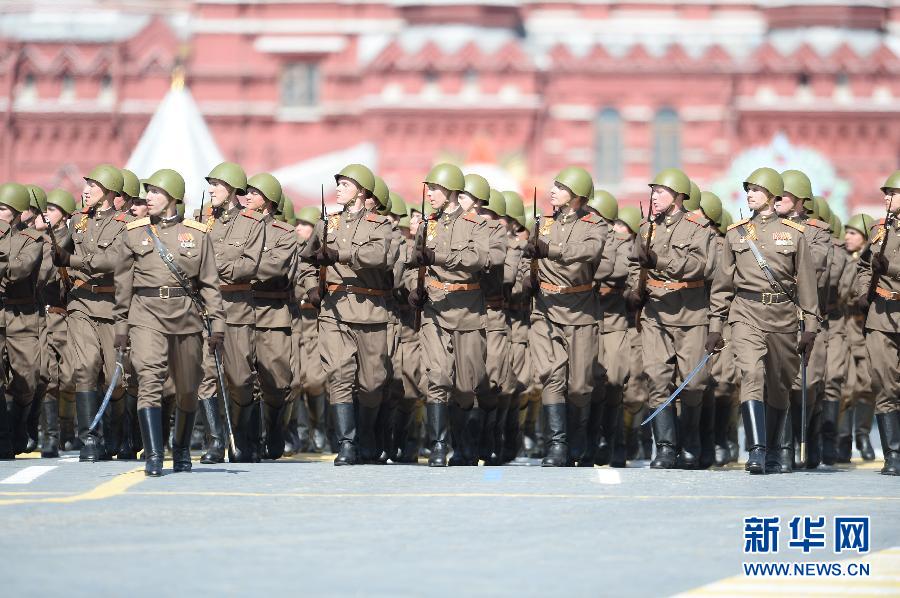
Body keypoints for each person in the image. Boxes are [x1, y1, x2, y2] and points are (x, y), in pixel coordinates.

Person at [706, 167, 818, 474]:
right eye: (748, 189)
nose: (750, 194)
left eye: (756, 189)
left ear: (772, 194)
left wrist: (810, 327)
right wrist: (716, 326)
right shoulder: (735, 233)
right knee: (751, 374)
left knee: (780, 385)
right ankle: (755, 450)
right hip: (746, 313)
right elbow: (722, 284)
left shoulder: (795, 235)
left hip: (782, 317)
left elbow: (807, 285)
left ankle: (771, 450)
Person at [300, 164, 393, 465]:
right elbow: (304, 261)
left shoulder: (381, 226)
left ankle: (367, 438)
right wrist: (312, 287)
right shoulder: (326, 224)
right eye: (337, 184)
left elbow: (381, 256)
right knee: (339, 375)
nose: (338, 188)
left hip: (371, 311)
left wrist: (341, 255)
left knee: (371, 383)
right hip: (335, 310)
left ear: (362, 191)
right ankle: (347, 444)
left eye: (345, 184)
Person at [626, 168, 714, 470]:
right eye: (652, 191)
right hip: (655, 314)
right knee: (656, 378)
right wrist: (633, 291)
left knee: (692, 383)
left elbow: (701, 266)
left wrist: (661, 261)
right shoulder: (646, 227)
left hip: (689, 313)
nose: (654, 197)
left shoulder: (699, 227)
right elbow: (635, 264)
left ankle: (691, 444)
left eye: (660, 192)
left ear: (678, 196)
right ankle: (664, 447)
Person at [408, 163, 489, 467]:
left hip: (467, 308)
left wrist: (440, 257)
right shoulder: (428, 224)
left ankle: (466, 448)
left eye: (436, 190)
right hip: (435, 309)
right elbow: (415, 263)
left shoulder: (475, 224)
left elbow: (479, 258)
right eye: (429, 189)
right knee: (438, 376)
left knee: (467, 385)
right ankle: (439, 445)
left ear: (452, 192)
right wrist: (412, 288)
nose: (430, 195)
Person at [526, 166, 605, 467]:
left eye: (560, 186)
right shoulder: (542, 223)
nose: (552, 190)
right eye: (554, 185)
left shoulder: (594, 225)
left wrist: (552, 250)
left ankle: (579, 440)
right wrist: (526, 279)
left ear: (577, 196)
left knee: (580, 384)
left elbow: (591, 251)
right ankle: (556, 445)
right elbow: (529, 258)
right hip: (545, 308)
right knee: (551, 375)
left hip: (580, 309)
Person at [52, 164, 129, 462]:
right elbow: (62, 255)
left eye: (93, 187)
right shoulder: (77, 223)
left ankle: (119, 434)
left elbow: (114, 260)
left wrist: (73, 258)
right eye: (85, 186)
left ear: (109, 193)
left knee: (115, 376)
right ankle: (90, 438)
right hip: (81, 303)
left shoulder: (125, 225)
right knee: (84, 368)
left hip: (113, 305)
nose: (85, 192)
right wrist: (57, 253)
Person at [194, 162, 264, 463]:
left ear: (233, 190)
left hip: (236, 308)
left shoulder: (252, 223)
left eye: (217, 185)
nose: (211, 190)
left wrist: (210, 266)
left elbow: (248, 266)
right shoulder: (200, 221)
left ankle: (243, 439)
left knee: (240, 377)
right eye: (210, 184)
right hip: (206, 309)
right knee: (207, 375)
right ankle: (214, 442)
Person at [246, 173, 297, 461]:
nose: (248, 197)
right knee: (244, 378)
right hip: (242, 308)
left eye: (254, 193)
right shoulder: (238, 228)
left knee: (277, 380)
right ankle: (250, 439)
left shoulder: (284, 233)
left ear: (268, 201)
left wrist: (238, 267)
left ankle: (275, 430)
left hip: (273, 312)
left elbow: (274, 268)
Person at [854, 170, 900, 476]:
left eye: (892, 193)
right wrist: (862, 294)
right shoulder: (879, 230)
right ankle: (894, 454)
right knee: (885, 382)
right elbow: (861, 266)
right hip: (881, 313)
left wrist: (892, 267)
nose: (886, 198)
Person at [0, 182, 45, 456]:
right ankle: (4, 439)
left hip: (22, 316)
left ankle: (19, 428)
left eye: (3, 209)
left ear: (16, 213)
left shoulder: (32, 239)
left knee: (28, 379)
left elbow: (20, 269)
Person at [34, 189, 77, 458]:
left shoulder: (72, 241)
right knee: (47, 376)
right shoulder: (33, 241)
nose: (44, 213)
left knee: (71, 375)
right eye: (43, 209)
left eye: (51, 209)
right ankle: (51, 436)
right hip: (42, 316)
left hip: (67, 315)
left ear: (63, 216)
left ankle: (68, 430)